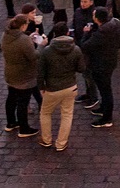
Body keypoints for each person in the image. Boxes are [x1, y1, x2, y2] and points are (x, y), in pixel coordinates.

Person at [36, 22, 86, 152]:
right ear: (68, 33)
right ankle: (61, 143)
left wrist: (41, 87)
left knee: (45, 113)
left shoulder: (47, 51)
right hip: (70, 87)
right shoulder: (76, 49)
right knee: (67, 114)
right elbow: (81, 68)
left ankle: (46, 140)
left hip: (52, 88)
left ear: (54, 34)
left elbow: (40, 72)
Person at [80, 5, 120, 128]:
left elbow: (85, 46)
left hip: (101, 64)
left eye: (94, 15)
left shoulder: (101, 34)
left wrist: (86, 33)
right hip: (110, 61)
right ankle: (103, 108)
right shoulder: (115, 25)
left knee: (105, 90)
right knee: (105, 88)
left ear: (98, 19)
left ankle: (107, 118)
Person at [2, 15, 41, 137]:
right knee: (23, 102)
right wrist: (41, 46)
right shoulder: (24, 40)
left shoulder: (6, 35)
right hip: (24, 75)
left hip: (10, 72)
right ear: (23, 25)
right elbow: (32, 56)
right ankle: (24, 129)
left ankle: (11, 123)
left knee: (11, 98)